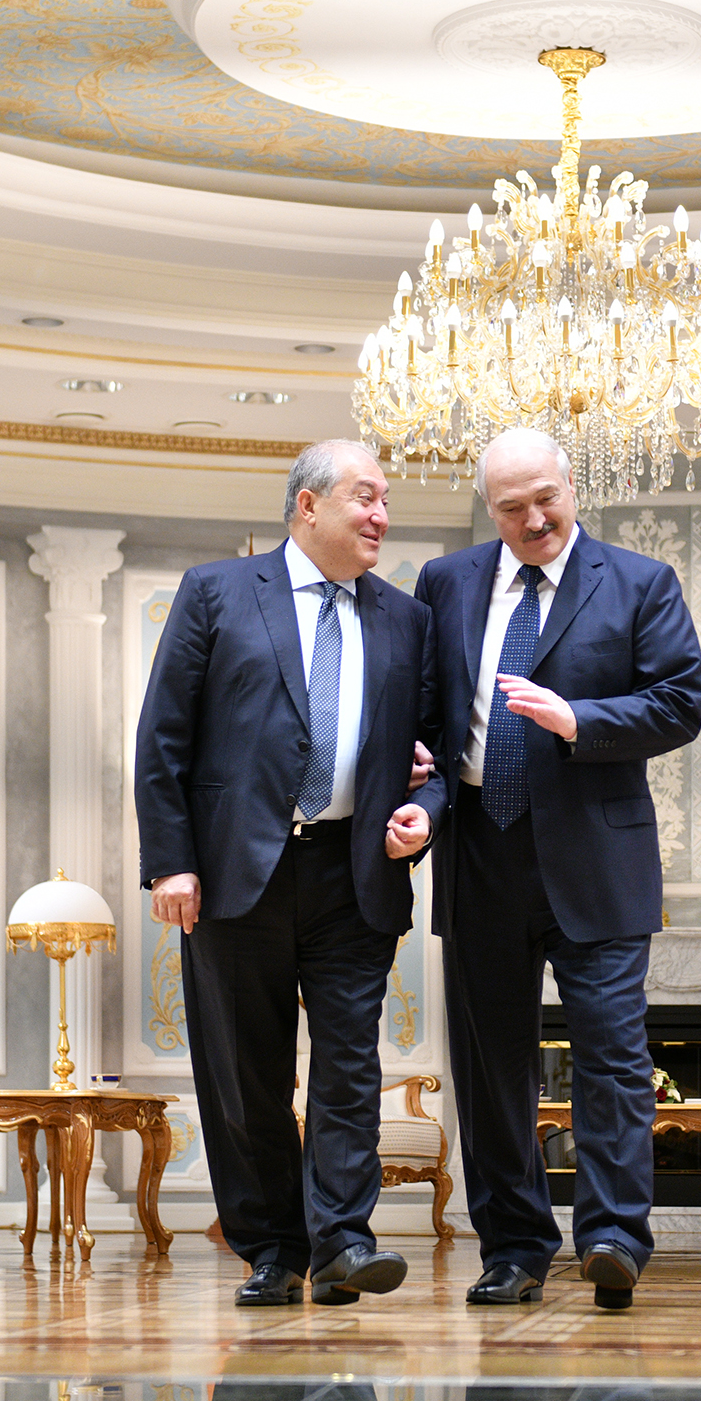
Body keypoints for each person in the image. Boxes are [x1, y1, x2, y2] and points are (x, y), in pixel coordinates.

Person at [135, 439, 445, 1307]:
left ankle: (343, 1241)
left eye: (386, 500)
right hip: (236, 875)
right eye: (366, 497)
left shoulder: (407, 619)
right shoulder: (217, 592)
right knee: (246, 1074)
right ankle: (273, 1247)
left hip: (356, 875)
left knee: (349, 1068)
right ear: (308, 505)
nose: (382, 515)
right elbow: (163, 736)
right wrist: (171, 863)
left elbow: (435, 755)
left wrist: (426, 810)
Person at [414, 428, 701, 1310]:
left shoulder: (641, 582)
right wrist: (416, 778)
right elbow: (426, 712)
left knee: (611, 1057)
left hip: (597, 855)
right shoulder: (445, 582)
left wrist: (579, 719)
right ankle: (513, 1250)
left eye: (547, 498)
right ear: (489, 509)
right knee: (490, 1069)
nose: (535, 519)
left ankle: (614, 1238)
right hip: (478, 853)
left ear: (572, 487)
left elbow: (680, 702)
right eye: (513, 507)